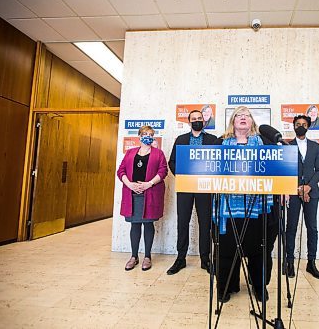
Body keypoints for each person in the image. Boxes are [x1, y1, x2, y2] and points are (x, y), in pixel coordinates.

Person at [213, 106, 277, 303]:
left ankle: (259, 287)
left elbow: (277, 170)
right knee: (226, 250)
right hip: (228, 207)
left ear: (252, 121)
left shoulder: (265, 143)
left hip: (257, 207)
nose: (242, 118)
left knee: (258, 249)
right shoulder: (220, 143)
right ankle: (226, 287)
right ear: (233, 121)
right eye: (238, 115)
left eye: (246, 115)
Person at [167, 110, 217, 274]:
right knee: (183, 222)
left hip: (205, 187)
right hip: (185, 187)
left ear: (204, 121)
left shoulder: (212, 140)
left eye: (199, 119)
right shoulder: (181, 140)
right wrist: (181, 176)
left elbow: (217, 161)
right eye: (194, 119)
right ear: (189, 122)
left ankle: (205, 259)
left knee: (205, 223)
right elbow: (172, 162)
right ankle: (180, 259)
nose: (197, 121)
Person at [117, 125, 168, 271]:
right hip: (132, 194)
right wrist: (130, 184)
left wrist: (148, 184)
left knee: (148, 224)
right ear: (139, 136)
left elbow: (163, 171)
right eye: (145, 134)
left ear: (153, 137)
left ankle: (147, 256)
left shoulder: (158, 153)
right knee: (135, 225)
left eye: (151, 134)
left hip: (150, 194)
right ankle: (134, 256)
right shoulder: (130, 152)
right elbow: (121, 171)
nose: (148, 136)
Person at [286, 115, 319, 279]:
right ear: (293, 126)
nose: (300, 126)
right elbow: (285, 171)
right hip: (293, 193)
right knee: (291, 227)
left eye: (303, 124)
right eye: (297, 124)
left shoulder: (315, 147)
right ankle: (289, 263)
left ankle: (311, 263)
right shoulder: (287, 146)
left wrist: (308, 187)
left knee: (312, 228)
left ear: (308, 127)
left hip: (312, 192)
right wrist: (297, 189)